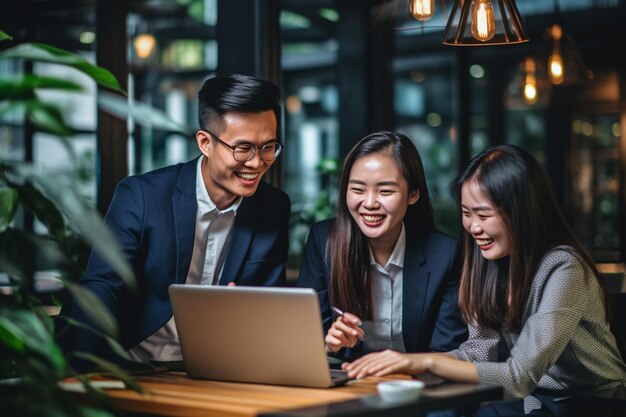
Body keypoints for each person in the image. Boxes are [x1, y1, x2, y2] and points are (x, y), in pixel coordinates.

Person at [343, 144, 626, 416]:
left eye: (484, 215)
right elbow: (477, 353)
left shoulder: (565, 268)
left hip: (591, 403)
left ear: (522, 212)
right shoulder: (488, 263)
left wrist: (421, 360)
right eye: (467, 213)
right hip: (531, 399)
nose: (473, 227)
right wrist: (399, 365)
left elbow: (519, 376)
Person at [62, 74, 290, 366]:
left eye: (268, 147)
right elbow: (103, 286)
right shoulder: (142, 195)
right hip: (128, 364)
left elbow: (269, 308)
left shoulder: (273, 207)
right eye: (243, 148)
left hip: (214, 367)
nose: (258, 163)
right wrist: (80, 372)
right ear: (205, 143)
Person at [297, 131, 467, 361]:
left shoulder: (445, 255)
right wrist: (330, 346)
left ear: (413, 194)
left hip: (419, 388)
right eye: (357, 189)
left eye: (385, 191)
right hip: (348, 384)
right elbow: (307, 343)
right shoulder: (324, 240)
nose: (369, 203)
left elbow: (447, 350)